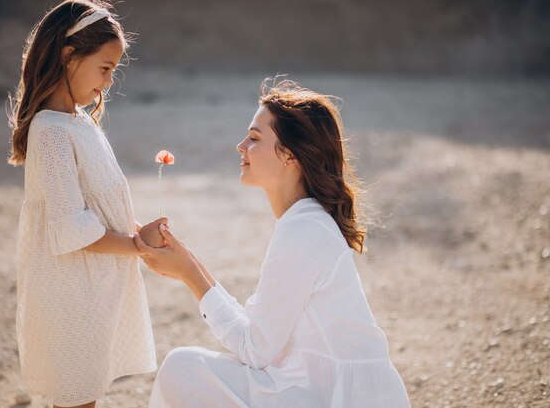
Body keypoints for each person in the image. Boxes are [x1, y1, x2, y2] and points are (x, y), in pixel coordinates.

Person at [134, 79, 411, 408]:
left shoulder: (305, 230)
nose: (240, 146)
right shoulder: (304, 222)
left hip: (337, 397)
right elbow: (261, 339)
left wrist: (189, 274)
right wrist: (188, 265)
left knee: (183, 368)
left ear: (290, 157)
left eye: (253, 138)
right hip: (312, 389)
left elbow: (255, 350)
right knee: (191, 367)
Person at [8, 0, 165, 407]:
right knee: (77, 399)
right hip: (70, 293)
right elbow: (70, 225)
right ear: (68, 56)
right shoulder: (51, 131)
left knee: (86, 396)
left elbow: (96, 208)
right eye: (105, 68)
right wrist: (134, 245)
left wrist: (137, 233)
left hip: (93, 288)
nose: (108, 81)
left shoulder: (80, 123)